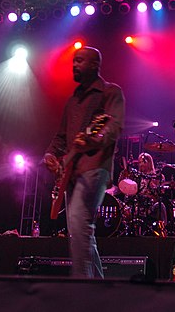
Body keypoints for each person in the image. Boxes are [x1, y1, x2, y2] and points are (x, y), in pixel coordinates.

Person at [43, 46, 125, 278]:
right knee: (79, 232)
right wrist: (50, 155)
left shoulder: (111, 92)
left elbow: (113, 127)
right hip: (71, 172)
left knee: (80, 224)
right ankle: (99, 292)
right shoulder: (73, 101)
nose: (74, 65)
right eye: (74, 61)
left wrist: (91, 140)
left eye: (80, 61)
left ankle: (82, 289)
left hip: (95, 168)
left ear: (94, 65)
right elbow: (61, 137)